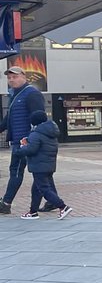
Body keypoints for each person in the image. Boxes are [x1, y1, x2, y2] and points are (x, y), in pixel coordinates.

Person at [1, 66, 45, 215]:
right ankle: (52, 200)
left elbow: (39, 118)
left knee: (17, 171)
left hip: (25, 143)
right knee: (39, 172)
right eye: (9, 77)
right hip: (18, 142)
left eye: (15, 76)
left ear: (24, 77)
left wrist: (31, 140)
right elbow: (8, 120)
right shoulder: (16, 95)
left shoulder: (31, 94)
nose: (11, 80)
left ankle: (6, 203)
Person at [15, 110, 70, 219]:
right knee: (36, 189)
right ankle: (33, 212)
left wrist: (21, 148)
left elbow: (31, 150)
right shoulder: (51, 132)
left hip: (39, 166)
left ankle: (63, 206)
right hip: (49, 165)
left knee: (44, 189)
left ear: (34, 122)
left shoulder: (36, 134)